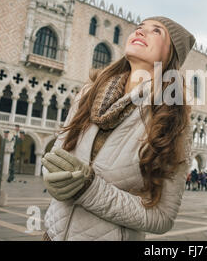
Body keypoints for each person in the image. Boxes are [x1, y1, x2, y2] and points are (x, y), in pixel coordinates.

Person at [41, 16, 196, 241]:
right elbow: (55, 157)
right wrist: (55, 179)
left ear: (172, 54)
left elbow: (162, 217)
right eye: (139, 28)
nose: (140, 32)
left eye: (156, 31)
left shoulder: (172, 121)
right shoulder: (88, 94)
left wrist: (88, 190)